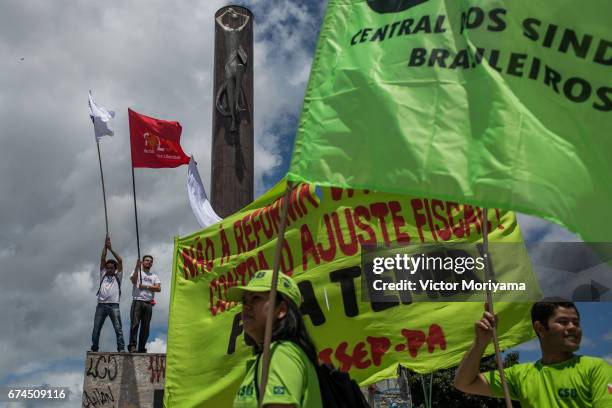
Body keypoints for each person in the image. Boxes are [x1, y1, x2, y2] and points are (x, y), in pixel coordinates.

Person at [454, 301, 612, 407]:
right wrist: (480, 342)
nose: (573, 327)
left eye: (576, 323)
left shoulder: (596, 368)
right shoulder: (519, 375)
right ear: (540, 328)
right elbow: (464, 383)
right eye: (563, 322)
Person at [226, 270, 323, 408]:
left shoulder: (281, 353)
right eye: (244, 301)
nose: (246, 306)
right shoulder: (271, 355)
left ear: (281, 310)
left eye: (255, 298)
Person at [91, 236, 125, 352]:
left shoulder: (118, 276)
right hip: (101, 305)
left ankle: (121, 348)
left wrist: (111, 249)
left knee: (118, 328)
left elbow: (120, 261)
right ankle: (94, 348)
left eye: (111, 268)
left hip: (114, 305)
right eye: (108, 267)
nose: (109, 269)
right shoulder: (103, 274)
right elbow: (102, 258)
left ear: (115, 269)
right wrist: (105, 247)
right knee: (96, 329)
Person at [128, 255, 160, 353]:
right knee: (135, 324)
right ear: (142, 262)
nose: (148, 262)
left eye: (150, 261)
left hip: (148, 303)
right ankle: (132, 346)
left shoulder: (154, 276)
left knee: (146, 327)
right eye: (146, 260)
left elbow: (158, 288)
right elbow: (133, 280)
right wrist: (137, 267)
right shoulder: (137, 272)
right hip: (137, 301)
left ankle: (142, 347)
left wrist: (145, 286)